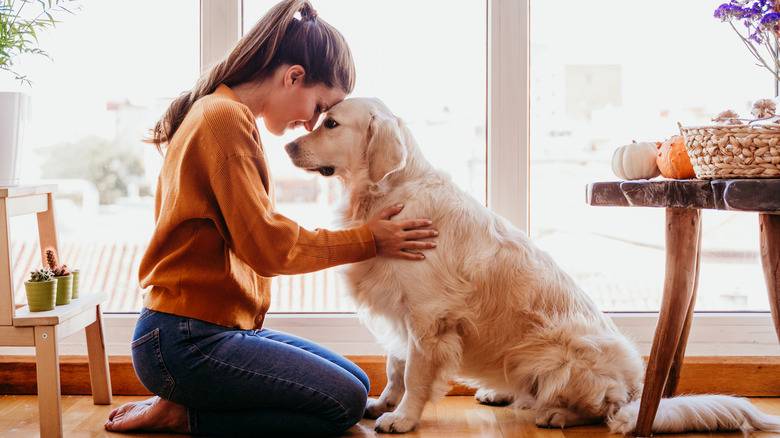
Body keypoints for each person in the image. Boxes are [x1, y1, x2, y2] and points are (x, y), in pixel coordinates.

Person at [103, 1, 437, 436]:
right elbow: (269, 248)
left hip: (206, 332)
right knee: (345, 402)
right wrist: (369, 239)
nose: (311, 123)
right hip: (184, 340)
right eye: (319, 106)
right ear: (293, 76)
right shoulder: (223, 121)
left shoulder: (223, 112)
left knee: (356, 382)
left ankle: (184, 399)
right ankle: (185, 414)